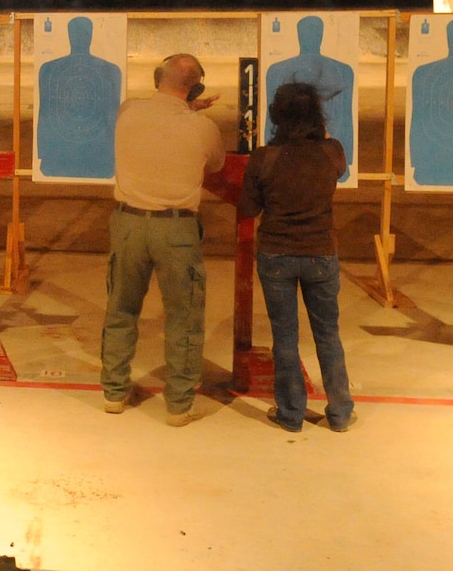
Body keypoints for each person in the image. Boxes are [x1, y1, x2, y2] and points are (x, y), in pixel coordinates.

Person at [102, 53, 225, 426]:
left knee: (121, 309)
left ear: (158, 78)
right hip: (176, 230)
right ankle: (178, 404)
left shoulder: (127, 111)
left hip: (127, 225)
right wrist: (192, 113)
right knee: (184, 317)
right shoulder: (203, 127)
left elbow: (155, 119)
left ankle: (113, 393)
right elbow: (217, 164)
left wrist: (184, 108)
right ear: (196, 87)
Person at [240, 83, 356, 433]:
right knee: (328, 335)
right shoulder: (332, 151)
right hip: (320, 253)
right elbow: (339, 170)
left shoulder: (265, 158)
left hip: (276, 254)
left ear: (278, 115)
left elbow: (248, 207)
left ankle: (291, 413)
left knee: (285, 337)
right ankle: (339, 411)